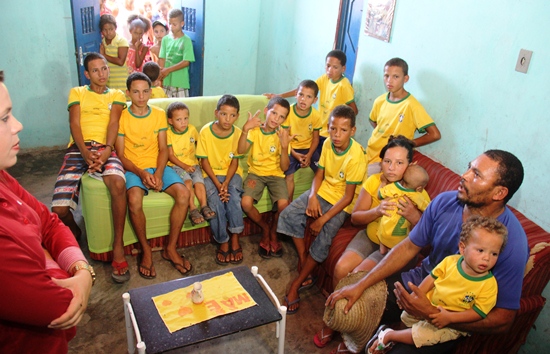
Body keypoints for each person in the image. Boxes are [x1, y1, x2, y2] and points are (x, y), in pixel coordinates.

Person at [327, 149, 528, 353]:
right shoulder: (445, 202)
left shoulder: (512, 242)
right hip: (420, 284)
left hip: (452, 315)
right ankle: (369, 338)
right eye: (469, 168)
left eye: (476, 174)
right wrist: (361, 284)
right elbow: (408, 247)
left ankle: (385, 338)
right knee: (353, 303)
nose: (464, 175)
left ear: (499, 193)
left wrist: (432, 314)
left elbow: (504, 320)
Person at [0, 71, 93, 353]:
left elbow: (50, 224)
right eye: (4, 118)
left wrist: (81, 269)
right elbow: (62, 309)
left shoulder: (3, 178)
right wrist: (74, 276)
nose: (18, 125)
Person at [314, 136, 429, 351]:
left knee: (358, 275)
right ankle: (334, 321)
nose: (392, 168)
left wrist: (414, 217)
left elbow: (426, 235)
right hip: (370, 235)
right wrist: (376, 211)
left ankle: (354, 335)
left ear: (411, 164)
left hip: (397, 248)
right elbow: (356, 217)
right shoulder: (374, 182)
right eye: (387, 161)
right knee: (341, 268)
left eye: (399, 162)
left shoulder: (418, 192)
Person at [368, 215, 508, 353]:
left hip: (451, 323)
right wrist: (416, 297)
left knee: (423, 336)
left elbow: (478, 313)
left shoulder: (488, 285)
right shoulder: (450, 262)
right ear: (462, 248)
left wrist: (449, 318)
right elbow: (431, 278)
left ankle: (390, 335)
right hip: (427, 304)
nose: (487, 258)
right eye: (481, 250)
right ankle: (395, 337)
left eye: (494, 254)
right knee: (406, 317)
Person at [277, 105, 366, 314]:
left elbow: (347, 197)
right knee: (288, 214)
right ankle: (303, 260)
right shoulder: (327, 145)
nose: (337, 135)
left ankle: (296, 284)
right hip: (323, 192)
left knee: (324, 238)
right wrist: (312, 196)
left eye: (343, 130)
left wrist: (323, 219)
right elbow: (319, 175)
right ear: (328, 127)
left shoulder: (356, 155)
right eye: (333, 129)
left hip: (341, 205)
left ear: (352, 131)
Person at [51, 53, 129, 283]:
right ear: (87, 74)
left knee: (118, 182)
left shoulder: (116, 94)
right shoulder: (77, 92)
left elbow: (114, 122)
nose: (101, 74)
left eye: (104, 69)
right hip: (79, 148)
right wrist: (85, 153)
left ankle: (118, 246)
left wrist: (106, 151)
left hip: (106, 147)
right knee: (59, 210)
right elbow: (74, 123)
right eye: (95, 70)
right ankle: (75, 232)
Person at [116, 72, 193, 278]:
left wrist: (158, 173)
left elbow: (163, 149)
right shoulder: (122, 116)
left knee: (184, 195)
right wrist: (141, 173)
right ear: (128, 93)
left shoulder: (159, 114)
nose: (141, 96)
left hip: (158, 165)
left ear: (151, 92)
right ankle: (146, 250)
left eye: (145, 91)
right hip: (134, 168)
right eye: (136, 92)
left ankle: (171, 248)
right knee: (134, 200)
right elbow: (121, 155)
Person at [265, 50, 358, 153]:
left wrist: (340, 125)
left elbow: (354, 110)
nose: (330, 70)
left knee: (327, 160)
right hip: (321, 129)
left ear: (343, 69)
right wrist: (280, 96)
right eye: (328, 66)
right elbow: (305, 89)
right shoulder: (325, 79)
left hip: (332, 132)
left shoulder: (344, 86)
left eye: (335, 67)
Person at [366, 58, 441, 176]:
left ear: (405, 79)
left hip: (386, 161)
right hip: (370, 153)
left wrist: (410, 143)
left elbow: (435, 134)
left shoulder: (411, 105)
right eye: (386, 76)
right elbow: (373, 121)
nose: (389, 81)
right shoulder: (379, 101)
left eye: (396, 77)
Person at [238, 97, 292, 258]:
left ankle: (274, 232)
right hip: (256, 174)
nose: (276, 118)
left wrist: (284, 147)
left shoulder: (283, 134)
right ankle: (265, 228)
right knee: (245, 203)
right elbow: (241, 150)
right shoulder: (255, 131)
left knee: (284, 205)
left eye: (281, 116)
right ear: (266, 111)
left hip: (276, 175)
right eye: (274, 113)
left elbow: (284, 168)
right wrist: (245, 129)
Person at [196, 95, 245, 265]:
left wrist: (225, 184)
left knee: (233, 199)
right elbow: (204, 162)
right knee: (216, 202)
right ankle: (223, 240)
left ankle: (235, 237)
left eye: (232, 115)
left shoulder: (238, 134)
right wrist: (218, 184)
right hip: (210, 175)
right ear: (216, 113)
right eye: (224, 114)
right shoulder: (205, 132)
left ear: (237, 116)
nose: (228, 119)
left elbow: (235, 162)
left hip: (232, 174)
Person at [166, 101, 216, 226]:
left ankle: (204, 206)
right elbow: (170, 155)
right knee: (188, 182)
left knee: (199, 182)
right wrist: (185, 166)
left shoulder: (192, 129)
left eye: (185, 118)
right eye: (179, 119)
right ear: (170, 121)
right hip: (177, 165)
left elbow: (199, 146)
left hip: (193, 164)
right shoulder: (168, 133)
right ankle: (193, 208)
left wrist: (201, 161)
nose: (183, 122)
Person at [281, 79, 322, 202]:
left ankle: (316, 201)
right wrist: (295, 154)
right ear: (295, 95)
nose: (303, 99)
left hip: (309, 148)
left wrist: (309, 155)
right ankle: (288, 205)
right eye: (301, 95)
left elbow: (316, 139)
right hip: (291, 147)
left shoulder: (316, 115)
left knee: (322, 171)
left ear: (315, 100)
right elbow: (283, 139)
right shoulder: (288, 113)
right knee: (289, 175)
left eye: (309, 97)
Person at [377, 164, 430, 254]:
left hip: (384, 229)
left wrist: (383, 182)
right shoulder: (417, 196)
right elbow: (429, 209)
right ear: (419, 188)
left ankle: (382, 248)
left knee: (383, 228)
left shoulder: (392, 187)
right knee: (400, 241)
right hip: (398, 236)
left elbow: (379, 195)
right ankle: (390, 252)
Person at [158, 8, 195, 97]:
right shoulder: (165, 39)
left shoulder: (186, 40)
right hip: (166, 81)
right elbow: (162, 58)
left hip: (180, 82)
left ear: (182, 24)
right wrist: (161, 77)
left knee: (181, 107)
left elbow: (186, 62)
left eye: (174, 24)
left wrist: (168, 70)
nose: (171, 27)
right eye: (169, 23)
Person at [99, 14, 129, 92]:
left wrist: (104, 55)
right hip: (108, 80)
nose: (108, 32)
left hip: (121, 80)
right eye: (105, 30)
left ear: (115, 28)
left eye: (111, 29)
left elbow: (120, 61)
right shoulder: (102, 42)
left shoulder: (121, 41)